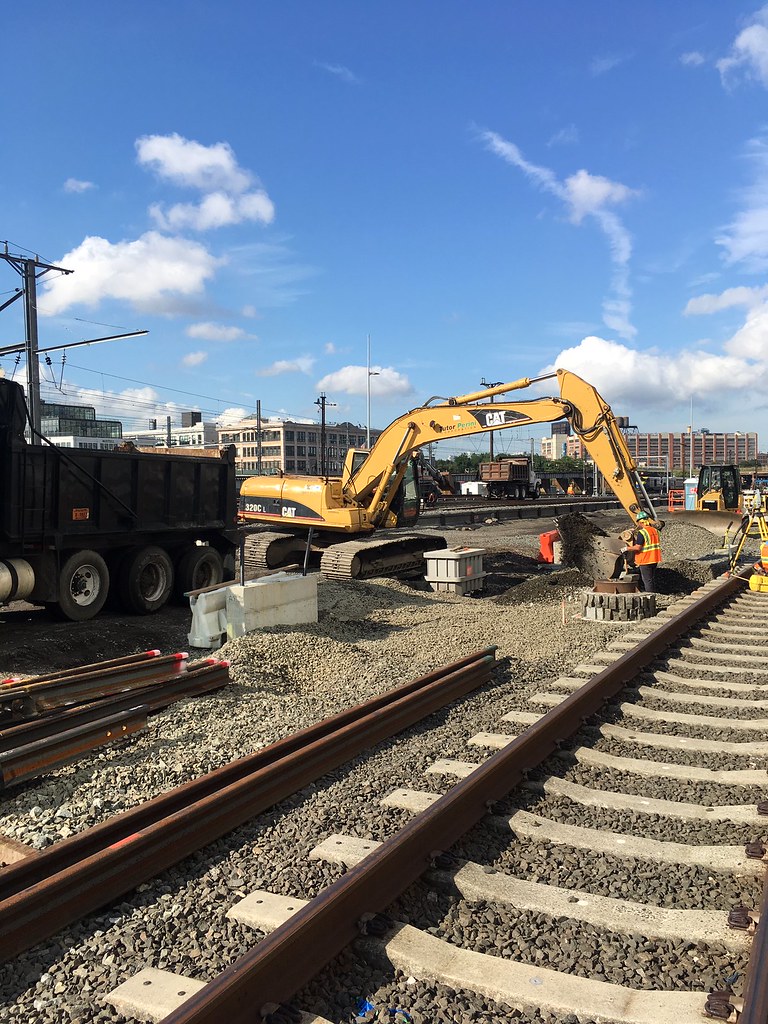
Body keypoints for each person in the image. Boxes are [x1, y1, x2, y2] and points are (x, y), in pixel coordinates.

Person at [621, 511, 661, 592]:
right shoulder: (655, 531)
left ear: (640, 522)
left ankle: (649, 596)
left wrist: (626, 549)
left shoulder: (642, 532)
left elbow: (638, 547)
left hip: (645, 559)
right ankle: (653, 594)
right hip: (654, 558)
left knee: (647, 580)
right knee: (651, 579)